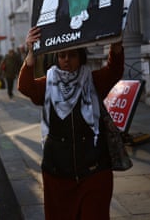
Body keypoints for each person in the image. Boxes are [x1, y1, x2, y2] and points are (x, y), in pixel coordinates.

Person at [18, 26, 124, 219]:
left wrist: (116, 44)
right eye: (62, 55)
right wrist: (31, 52)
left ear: (81, 57)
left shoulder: (92, 80)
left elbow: (114, 71)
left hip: (94, 170)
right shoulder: (48, 83)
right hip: (58, 174)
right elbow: (25, 87)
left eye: (72, 55)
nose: (66, 59)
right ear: (56, 58)